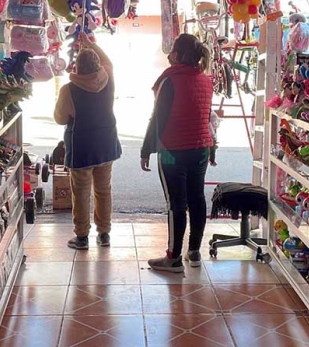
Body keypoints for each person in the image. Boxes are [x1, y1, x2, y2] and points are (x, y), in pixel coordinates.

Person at [140, 33, 215, 272]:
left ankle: (173, 257)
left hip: (173, 150)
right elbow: (207, 116)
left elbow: (157, 118)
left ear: (178, 54)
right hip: (201, 147)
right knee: (197, 199)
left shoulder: (170, 80)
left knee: (176, 204)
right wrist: (212, 147)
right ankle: (194, 252)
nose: (169, 54)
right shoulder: (206, 80)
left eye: (172, 49)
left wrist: (146, 149)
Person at [54, 35, 122, 250]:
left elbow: (60, 119)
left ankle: (82, 236)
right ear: (97, 65)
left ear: (77, 67)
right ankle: (104, 233)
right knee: (104, 189)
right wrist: (91, 44)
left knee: (81, 192)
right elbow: (108, 61)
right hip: (106, 143)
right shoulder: (108, 77)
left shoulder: (69, 89)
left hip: (82, 146)